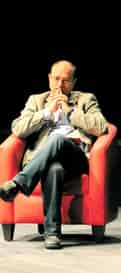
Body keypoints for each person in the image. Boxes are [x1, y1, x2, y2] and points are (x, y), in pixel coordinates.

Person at [0, 60, 108, 249]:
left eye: (65, 80)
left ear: (73, 82)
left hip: (75, 157)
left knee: (57, 139)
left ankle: (18, 183)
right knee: (53, 169)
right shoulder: (36, 100)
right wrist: (45, 113)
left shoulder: (85, 99)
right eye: (56, 79)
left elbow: (101, 127)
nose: (59, 85)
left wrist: (71, 112)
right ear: (49, 79)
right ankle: (52, 234)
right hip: (46, 160)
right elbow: (18, 129)